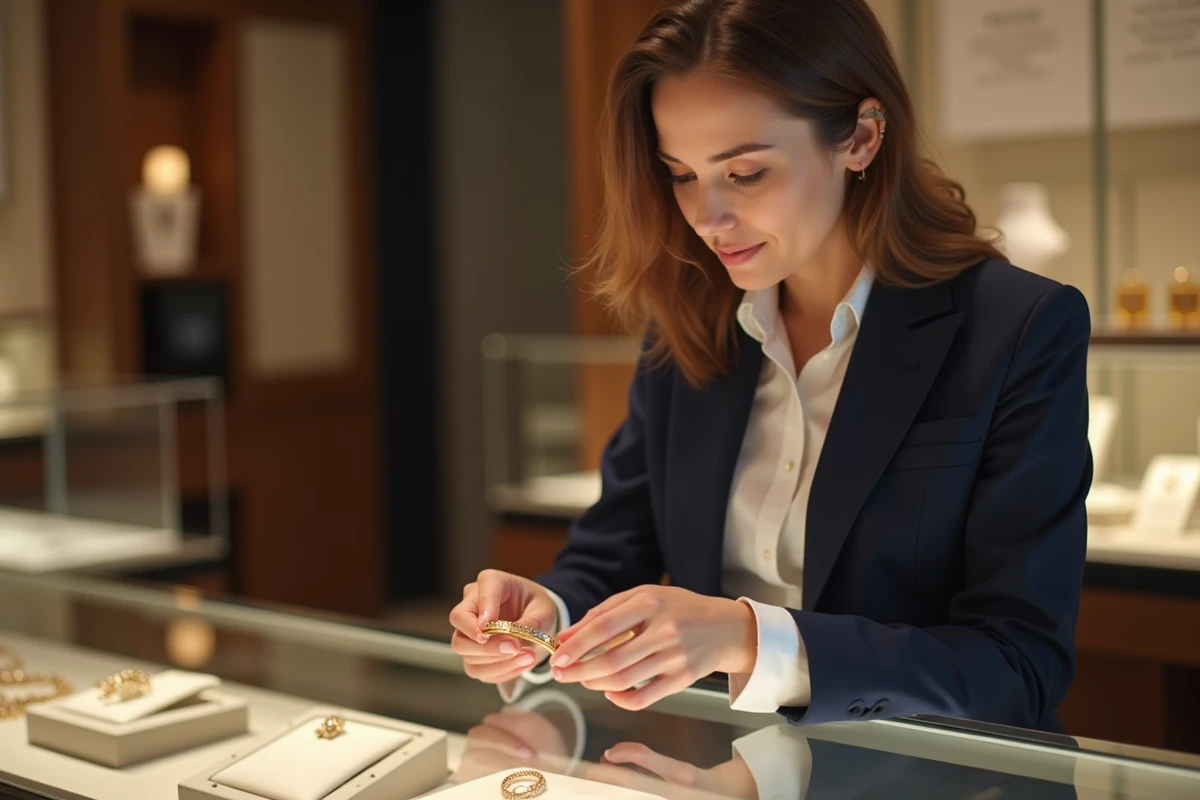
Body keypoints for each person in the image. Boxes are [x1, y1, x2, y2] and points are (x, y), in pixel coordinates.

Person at [449, 0, 1090, 732]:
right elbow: (614, 550)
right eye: (679, 174)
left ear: (862, 137)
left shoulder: (1018, 327)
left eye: (746, 173)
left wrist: (749, 638)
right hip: (719, 763)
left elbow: (1019, 665)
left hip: (928, 772)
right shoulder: (689, 319)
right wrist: (548, 612)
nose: (706, 217)